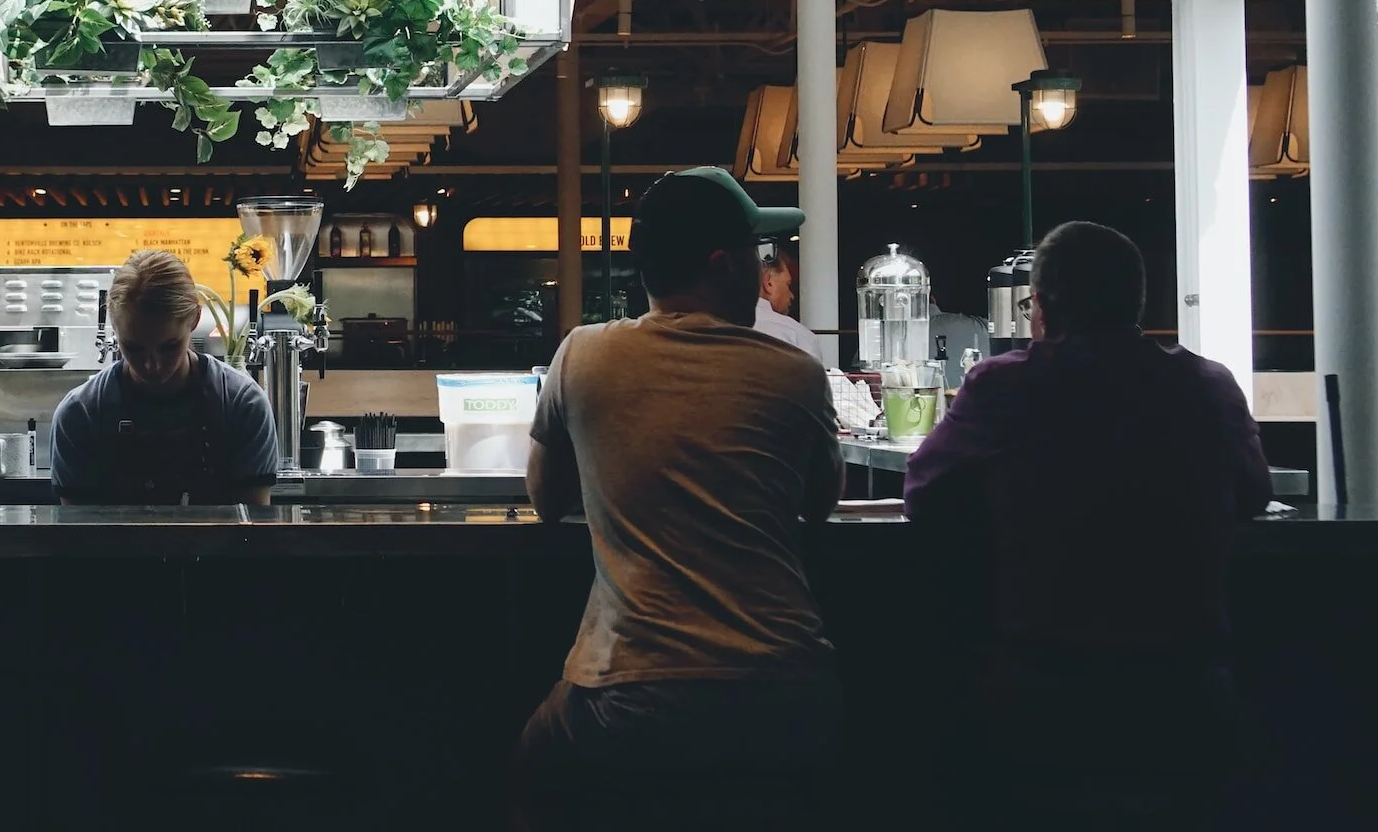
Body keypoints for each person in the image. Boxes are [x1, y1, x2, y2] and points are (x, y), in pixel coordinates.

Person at [904, 220, 1271, 826]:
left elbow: (926, 493)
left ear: (1042, 307)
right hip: (1187, 694)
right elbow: (1253, 492)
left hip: (1047, 693)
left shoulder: (1008, 385)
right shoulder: (1208, 385)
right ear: (1137, 302)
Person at [514, 168, 844, 830]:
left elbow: (546, 499)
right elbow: (823, 501)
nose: (767, 271)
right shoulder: (797, 374)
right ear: (724, 265)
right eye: (760, 255)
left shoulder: (582, 356)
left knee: (530, 768)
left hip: (632, 698)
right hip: (785, 692)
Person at [51, 249, 280, 505]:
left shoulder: (243, 406)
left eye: (169, 346)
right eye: (134, 348)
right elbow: (78, 538)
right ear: (114, 329)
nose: (152, 365)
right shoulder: (80, 414)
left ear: (194, 319)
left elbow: (254, 535)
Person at [753, 240, 824, 360]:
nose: (792, 295)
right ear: (768, 282)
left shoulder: (715, 329)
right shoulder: (797, 336)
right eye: (788, 285)